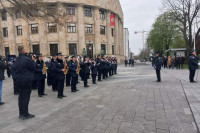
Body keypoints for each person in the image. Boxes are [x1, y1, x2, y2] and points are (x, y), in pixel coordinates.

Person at [14, 46, 36, 120]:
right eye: (25, 49)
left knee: (21, 97)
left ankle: (21, 113)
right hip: (26, 81)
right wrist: (32, 60)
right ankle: (25, 114)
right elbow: (33, 68)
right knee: (26, 97)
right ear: (23, 51)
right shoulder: (27, 59)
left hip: (19, 81)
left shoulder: (17, 59)